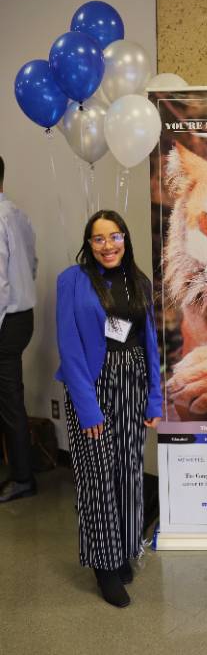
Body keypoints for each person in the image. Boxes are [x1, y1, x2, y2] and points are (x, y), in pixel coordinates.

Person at [55, 209, 162, 608]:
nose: (108, 245)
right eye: (98, 238)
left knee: (129, 473)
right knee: (98, 476)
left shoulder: (139, 280)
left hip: (133, 381)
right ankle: (103, 565)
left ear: (125, 239)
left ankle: (123, 552)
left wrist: (154, 397)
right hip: (92, 386)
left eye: (114, 236)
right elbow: (69, 346)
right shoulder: (72, 280)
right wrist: (87, 409)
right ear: (89, 243)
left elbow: (149, 342)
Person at [0, 156, 37, 503]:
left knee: (10, 400)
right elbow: (32, 262)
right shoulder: (18, 214)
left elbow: (0, 285)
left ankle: (23, 478)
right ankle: (20, 472)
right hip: (24, 317)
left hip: (5, 320)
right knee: (10, 397)